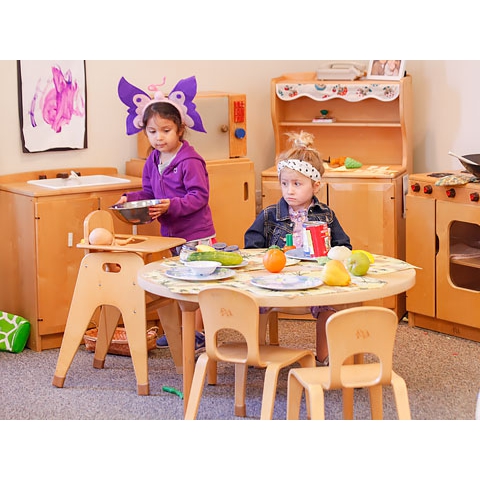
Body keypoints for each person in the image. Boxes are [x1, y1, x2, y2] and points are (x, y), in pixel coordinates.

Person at [117, 75, 215, 352]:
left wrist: (171, 205)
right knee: (177, 283)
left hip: (196, 234)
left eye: (165, 130)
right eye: (152, 131)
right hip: (170, 236)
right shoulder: (153, 159)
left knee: (196, 286)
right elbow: (149, 192)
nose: (158, 137)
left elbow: (200, 197)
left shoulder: (190, 161)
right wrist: (130, 198)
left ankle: (199, 333)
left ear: (180, 129)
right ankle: (179, 330)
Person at [244, 131, 352, 365]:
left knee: (330, 305)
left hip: (315, 279)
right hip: (277, 280)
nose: (289, 190)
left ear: (316, 185)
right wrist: (265, 260)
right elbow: (251, 247)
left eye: (297, 184)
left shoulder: (327, 215)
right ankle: (257, 354)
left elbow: (343, 246)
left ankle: (324, 357)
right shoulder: (270, 214)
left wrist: (335, 257)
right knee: (252, 301)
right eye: (284, 184)